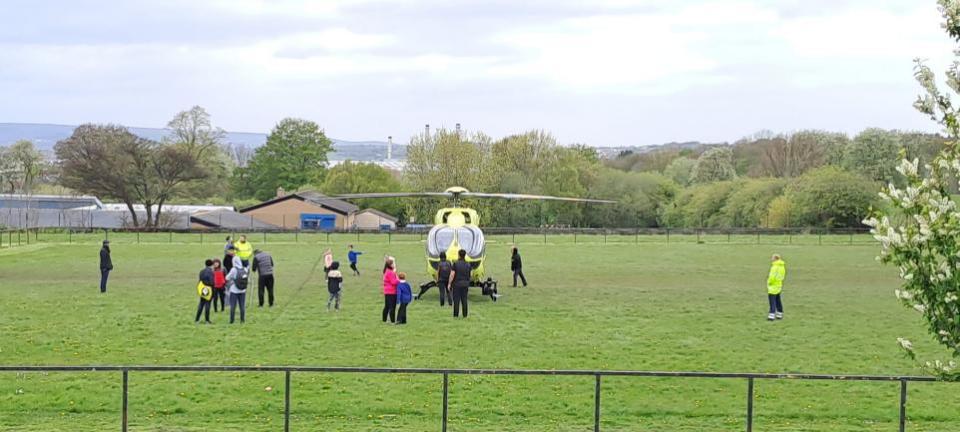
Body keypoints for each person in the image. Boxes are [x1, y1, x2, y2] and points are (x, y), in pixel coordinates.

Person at [449, 249, 472, 318]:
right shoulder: (468, 264)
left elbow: (452, 274)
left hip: (457, 284)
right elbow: (470, 274)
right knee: (464, 300)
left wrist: (449, 283)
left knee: (456, 300)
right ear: (465, 255)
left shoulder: (455, 264)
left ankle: (456, 315)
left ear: (458, 255)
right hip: (465, 284)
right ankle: (465, 315)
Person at [767, 254, 787, 321]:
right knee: (778, 300)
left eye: (772, 258)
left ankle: (771, 315)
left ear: (775, 259)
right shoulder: (782, 266)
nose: (771, 259)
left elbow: (772, 276)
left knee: (772, 301)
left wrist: (769, 282)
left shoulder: (775, 267)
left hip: (773, 286)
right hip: (779, 284)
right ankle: (779, 314)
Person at [196, 259, 214, 324]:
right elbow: (212, 282)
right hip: (209, 289)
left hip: (203, 288)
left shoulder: (202, 271)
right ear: (211, 265)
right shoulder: (211, 272)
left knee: (201, 304)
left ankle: (197, 319)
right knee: (208, 304)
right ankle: (207, 320)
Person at [382, 257, 399, 323]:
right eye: (393, 263)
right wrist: (398, 280)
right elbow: (394, 282)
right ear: (390, 265)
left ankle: (384, 320)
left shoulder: (387, 271)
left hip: (387, 292)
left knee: (387, 306)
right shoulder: (391, 273)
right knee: (392, 307)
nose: (394, 264)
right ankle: (392, 321)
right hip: (392, 292)